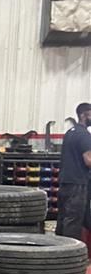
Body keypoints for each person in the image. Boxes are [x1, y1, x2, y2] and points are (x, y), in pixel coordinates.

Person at [56, 102, 91, 240]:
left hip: (65, 183)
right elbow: (89, 160)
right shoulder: (84, 135)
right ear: (83, 115)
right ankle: (69, 258)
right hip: (77, 184)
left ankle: (57, 252)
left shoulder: (69, 133)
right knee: (73, 222)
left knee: (65, 218)